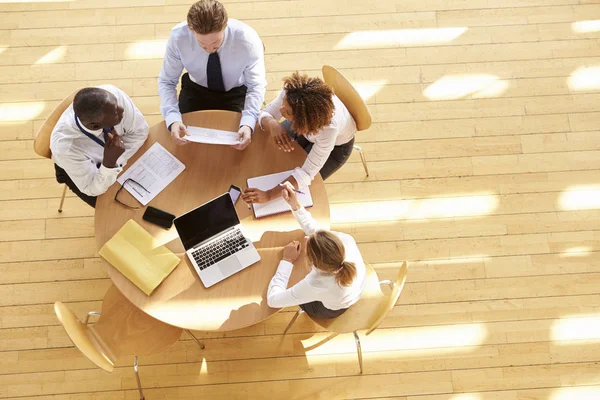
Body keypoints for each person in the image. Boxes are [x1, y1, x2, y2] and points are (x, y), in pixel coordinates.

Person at [158, 0, 266, 150]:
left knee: (239, 145)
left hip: (235, 92)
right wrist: (172, 118)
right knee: (186, 146)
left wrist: (248, 123)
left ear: (225, 25)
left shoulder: (248, 41)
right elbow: (167, 82)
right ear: (191, 30)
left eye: (216, 43)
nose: (209, 49)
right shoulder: (178, 38)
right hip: (196, 89)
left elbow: (256, 86)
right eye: (202, 44)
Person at [242, 72, 356, 206]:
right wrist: (273, 124)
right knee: (271, 157)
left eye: (287, 112)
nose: (281, 109)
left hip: (336, 148)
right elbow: (266, 113)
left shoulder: (329, 129)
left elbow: (305, 174)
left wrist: (268, 195)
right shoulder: (292, 93)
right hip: (306, 129)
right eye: (284, 103)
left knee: (304, 191)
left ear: (302, 119)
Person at [266, 182, 367, 318]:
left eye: (308, 245)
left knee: (297, 286)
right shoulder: (345, 241)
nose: (306, 239)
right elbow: (316, 232)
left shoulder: (317, 283)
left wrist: (287, 260)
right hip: (355, 289)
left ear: (313, 263)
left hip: (333, 308)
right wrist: (295, 205)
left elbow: (273, 300)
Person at [50, 85, 149, 208]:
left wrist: (117, 160)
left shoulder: (112, 96)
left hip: (114, 159)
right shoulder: (66, 148)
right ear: (95, 126)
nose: (122, 109)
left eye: (117, 105)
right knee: (117, 209)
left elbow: (141, 131)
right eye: (115, 114)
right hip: (78, 169)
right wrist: (109, 163)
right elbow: (91, 188)